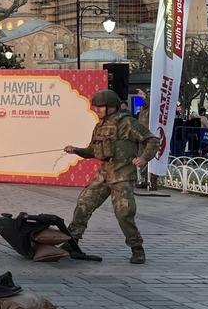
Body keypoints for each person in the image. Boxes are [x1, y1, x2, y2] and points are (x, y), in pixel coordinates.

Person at [63, 89, 160, 264]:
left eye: (101, 107)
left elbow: (152, 140)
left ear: (111, 107)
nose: (97, 110)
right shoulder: (100, 126)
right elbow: (93, 150)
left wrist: (144, 158)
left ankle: (137, 248)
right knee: (84, 203)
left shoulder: (127, 123)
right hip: (104, 173)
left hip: (122, 175)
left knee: (124, 213)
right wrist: (76, 150)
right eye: (96, 107)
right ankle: (73, 241)